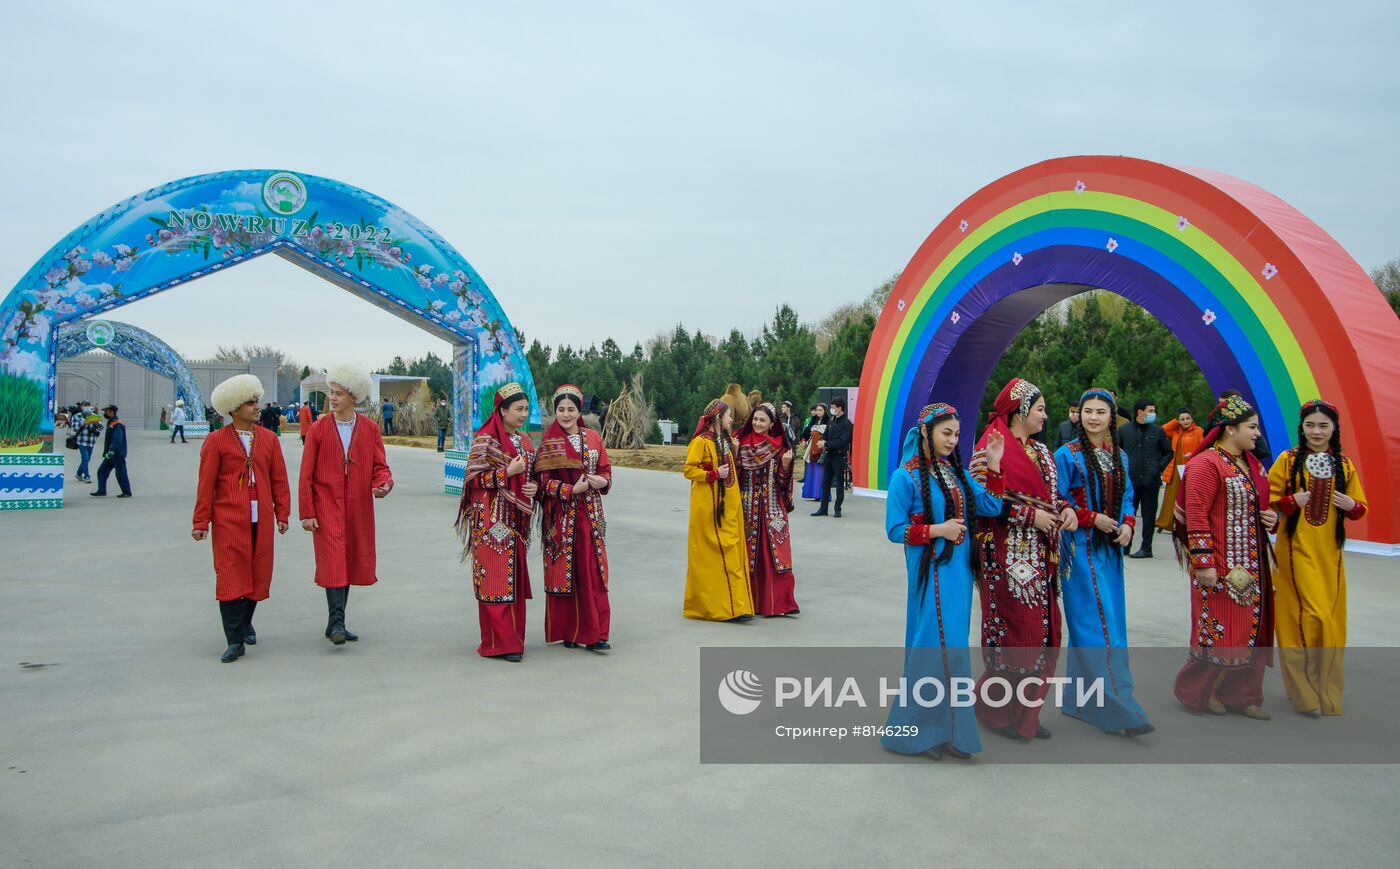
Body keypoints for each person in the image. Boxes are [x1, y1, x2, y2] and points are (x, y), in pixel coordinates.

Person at [881, 403, 1005, 761]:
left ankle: (949, 731)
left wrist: (994, 464)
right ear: (926, 432)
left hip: (959, 577)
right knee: (931, 650)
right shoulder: (904, 476)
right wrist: (938, 530)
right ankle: (914, 734)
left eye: (955, 433)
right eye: (945, 433)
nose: (952, 440)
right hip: (931, 574)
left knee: (953, 652)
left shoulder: (957, 473)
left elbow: (991, 507)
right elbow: (894, 529)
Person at [970, 378, 1078, 741]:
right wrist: (1031, 517)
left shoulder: (1043, 452)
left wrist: (1065, 510)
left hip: (1043, 559)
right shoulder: (989, 449)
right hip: (1005, 557)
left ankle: (1026, 714)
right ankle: (997, 713)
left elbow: (1053, 494)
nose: (1046, 416)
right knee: (1016, 635)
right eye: (1040, 409)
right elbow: (982, 504)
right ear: (1020, 412)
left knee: (1046, 633)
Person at [1053, 388, 1154, 736]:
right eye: (1087, 411)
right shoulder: (1066, 455)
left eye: (1100, 411)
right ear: (1078, 415)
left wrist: (1128, 524)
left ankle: (1081, 702)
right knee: (1098, 627)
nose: (1093, 417)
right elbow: (1055, 498)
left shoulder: (1120, 457)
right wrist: (1091, 517)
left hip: (1109, 552)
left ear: (1112, 417)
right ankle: (1119, 706)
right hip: (1079, 550)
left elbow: (1127, 496)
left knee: (1108, 624)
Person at [1171, 394, 1277, 719]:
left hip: (1252, 564)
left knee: (1251, 630)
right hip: (1218, 565)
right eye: (1252, 427)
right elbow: (1197, 514)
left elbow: (1257, 505)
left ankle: (1243, 695)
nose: (1257, 433)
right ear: (1230, 429)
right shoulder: (1206, 464)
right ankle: (1203, 692)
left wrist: (1270, 517)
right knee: (1219, 630)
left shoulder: (1251, 463)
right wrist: (1204, 562)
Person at [1269, 400, 1368, 716]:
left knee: (1330, 621)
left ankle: (1325, 691)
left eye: (1323, 425)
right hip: (1295, 551)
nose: (1316, 431)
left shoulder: (1344, 465)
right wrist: (1290, 501)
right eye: (1310, 424)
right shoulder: (1287, 461)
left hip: (1330, 555)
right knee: (1304, 619)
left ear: (1334, 428)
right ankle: (1303, 692)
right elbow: (1268, 504)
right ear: (1302, 427)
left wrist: (1350, 505)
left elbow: (1361, 508)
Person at [192, 375, 291, 663]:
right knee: (230, 574)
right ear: (234, 409)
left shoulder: (269, 440)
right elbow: (206, 485)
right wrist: (201, 522)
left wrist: (282, 512)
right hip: (228, 520)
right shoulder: (216, 441)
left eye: (256, 401)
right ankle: (234, 640)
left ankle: (246, 619)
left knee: (258, 573)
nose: (256, 407)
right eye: (250, 403)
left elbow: (279, 479)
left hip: (261, 518)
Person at [299, 364, 394, 646]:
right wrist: (306, 512)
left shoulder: (370, 429)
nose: (333, 398)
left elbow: (380, 466)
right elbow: (306, 474)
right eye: (331, 392)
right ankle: (337, 621)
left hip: (358, 508)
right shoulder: (317, 429)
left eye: (339, 393)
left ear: (354, 396)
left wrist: (384, 484)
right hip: (326, 506)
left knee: (349, 560)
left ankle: (336, 621)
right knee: (332, 561)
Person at [456, 383, 537, 661]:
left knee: (512, 580)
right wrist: (506, 473)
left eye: (526, 409)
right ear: (502, 410)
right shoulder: (485, 440)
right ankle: (499, 644)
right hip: (490, 522)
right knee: (495, 579)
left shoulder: (525, 442)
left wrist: (532, 487)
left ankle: (514, 640)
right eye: (518, 409)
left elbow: (532, 475)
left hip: (516, 521)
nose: (523, 414)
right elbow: (472, 480)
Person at [535, 384, 613, 651]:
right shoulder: (548, 443)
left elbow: (606, 470)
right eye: (560, 409)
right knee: (567, 574)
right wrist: (570, 489)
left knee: (593, 572)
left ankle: (598, 634)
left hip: (590, 516)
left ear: (579, 411)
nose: (565, 414)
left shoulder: (593, 437)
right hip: (562, 519)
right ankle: (570, 630)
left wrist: (599, 480)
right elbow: (542, 484)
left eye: (570, 409)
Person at [683, 399, 755, 622]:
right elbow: (688, 470)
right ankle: (719, 607)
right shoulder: (700, 443)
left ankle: (735, 606)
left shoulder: (724, 441)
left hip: (728, 509)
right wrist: (713, 474)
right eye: (728, 415)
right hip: (708, 509)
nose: (731, 419)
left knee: (731, 552)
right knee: (712, 557)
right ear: (717, 417)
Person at [735, 402, 800, 617]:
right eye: (755, 419)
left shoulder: (780, 447)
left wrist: (787, 465)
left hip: (772, 508)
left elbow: (782, 483)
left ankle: (779, 603)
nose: (757, 423)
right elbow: (735, 478)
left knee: (775, 553)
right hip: (747, 508)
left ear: (772, 423)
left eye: (762, 420)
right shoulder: (741, 444)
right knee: (749, 554)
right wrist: (734, 454)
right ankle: (749, 602)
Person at [1119, 397, 1173, 558]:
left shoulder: (1157, 431)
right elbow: (1116, 451)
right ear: (1140, 411)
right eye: (1150, 411)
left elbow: (1168, 452)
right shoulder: (1124, 430)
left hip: (1151, 479)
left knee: (1149, 515)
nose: (1153, 414)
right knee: (1128, 512)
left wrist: (1158, 466)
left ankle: (1146, 547)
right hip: (1130, 479)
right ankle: (1125, 545)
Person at [1156, 408, 1203, 532]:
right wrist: (1176, 422)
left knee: (1186, 497)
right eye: (1182, 419)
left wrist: (1193, 454)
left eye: (1188, 418)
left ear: (1192, 419)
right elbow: (1163, 430)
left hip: (1190, 468)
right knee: (1171, 496)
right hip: (1175, 469)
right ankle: (1166, 522)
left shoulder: (1198, 431)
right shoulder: (1176, 431)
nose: (1186, 421)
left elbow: (1204, 447)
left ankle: (1184, 524)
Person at [812, 397, 852, 517]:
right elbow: (826, 434)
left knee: (839, 483)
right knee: (825, 483)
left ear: (840, 408)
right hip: (828, 455)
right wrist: (822, 441)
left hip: (839, 456)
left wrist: (827, 444)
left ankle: (837, 508)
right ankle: (823, 508)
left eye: (833, 407)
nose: (831, 409)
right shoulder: (832, 420)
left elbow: (842, 441)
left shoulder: (847, 423)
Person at [90, 405, 132, 498]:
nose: (105, 413)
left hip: (117, 454)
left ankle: (127, 492)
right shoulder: (111, 422)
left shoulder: (117, 424)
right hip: (111, 454)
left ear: (112, 412)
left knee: (121, 473)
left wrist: (111, 450)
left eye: (106, 412)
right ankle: (101, 490)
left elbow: (117, 439)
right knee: (102, 471)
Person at [799, 403, 828, 501]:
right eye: (817, 410)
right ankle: (812, 493)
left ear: (825, 411)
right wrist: (804, 438)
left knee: (820, 471)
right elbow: (806, 432)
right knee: (812, 471)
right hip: (812, 447)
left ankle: (820, 494)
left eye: (820, 410)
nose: (818, 412)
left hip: (822, 448)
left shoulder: (828, 421)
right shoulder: (813, 420)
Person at [72, 406, 101, 483]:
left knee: (88, 459)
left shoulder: (95, 416)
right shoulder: (76, 416)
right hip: (81, 441)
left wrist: (97, 424)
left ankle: (78, 473)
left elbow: (101, 428)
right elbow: (74, 428)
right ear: (83, 413)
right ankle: (86, 476)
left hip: (91, 441)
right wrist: (83, 423)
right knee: (85, 458)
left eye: (89, 414)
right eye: (86, 415)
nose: (88, 416)